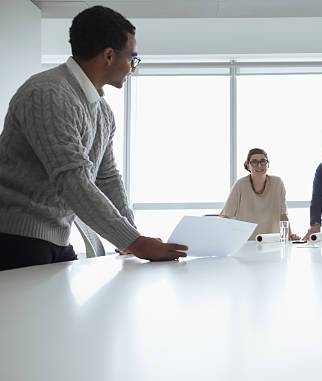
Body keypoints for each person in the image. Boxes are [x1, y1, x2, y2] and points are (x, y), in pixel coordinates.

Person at [0, 6, 187, 271]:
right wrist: (136, 242)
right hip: (15, 240)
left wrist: (129, 235)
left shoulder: (102, 112)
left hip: (54, 240)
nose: (133, 67)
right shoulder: (47, 94)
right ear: (109, 55)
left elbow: (107, 177)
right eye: (132, 58)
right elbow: (71, 179)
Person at [220, 148, 300, 241]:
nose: (259, 165)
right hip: (245, 242)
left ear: (268, 164)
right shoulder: (240, 185)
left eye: (263, 161)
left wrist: (288, 236)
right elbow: (226, 216)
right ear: (248, 165)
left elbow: (283, 216)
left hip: (271, 242)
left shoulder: (277, 183)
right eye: (254, 162)